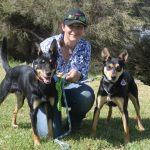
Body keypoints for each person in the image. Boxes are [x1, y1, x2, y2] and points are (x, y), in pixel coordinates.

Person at [40, 8, 95, 137]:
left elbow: (83, 74)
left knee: (86, 95)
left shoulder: (85, 46)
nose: (75, 31)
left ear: (83, 29)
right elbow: (34, 71)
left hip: (70, 88)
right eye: (71, 26)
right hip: (47, 90)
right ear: (63, 26)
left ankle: (73, 122)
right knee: (48, 133)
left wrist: (78, 75)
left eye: (79, 27)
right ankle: (51, 118)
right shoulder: (47, 44)